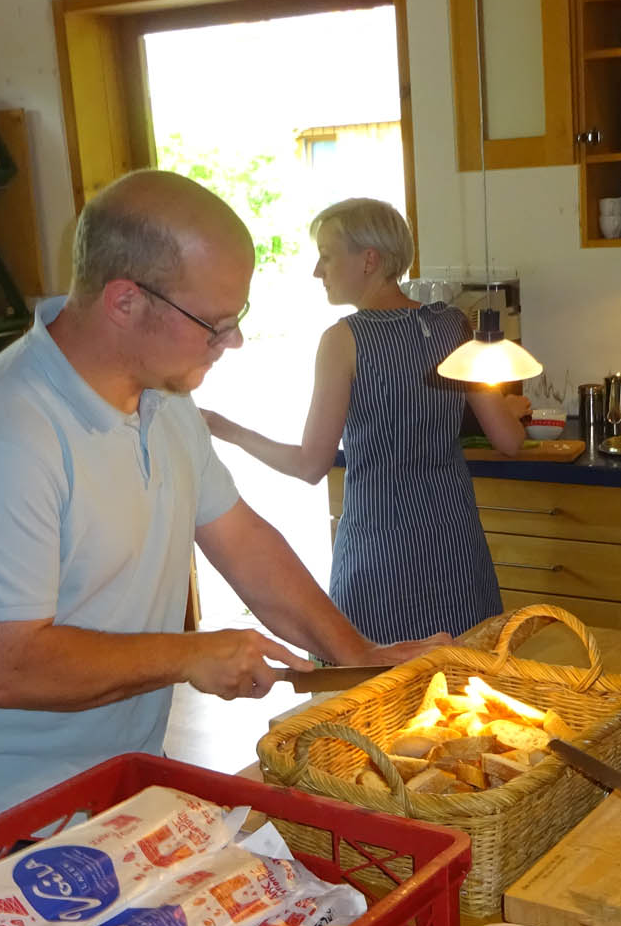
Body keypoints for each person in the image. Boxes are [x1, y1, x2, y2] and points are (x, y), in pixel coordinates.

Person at [0, 172, 439, 847]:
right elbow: (5, 667)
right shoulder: (0, 437)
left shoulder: (165, 398)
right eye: (216, 324)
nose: (234, 341)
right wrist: (188, 654)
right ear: (125, 301)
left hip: (117, 778)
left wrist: (360, 658)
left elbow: (243, 541)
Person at [199, 198, 528, 642]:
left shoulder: (344, 340)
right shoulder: (453, 325)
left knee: (376, 674)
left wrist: (226, 429)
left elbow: (310, 465)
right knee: (463, 671)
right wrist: (505, 408)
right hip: (455, 545)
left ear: (369, 260)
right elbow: (509, 440)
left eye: (327, 256)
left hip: (382, 551)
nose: (318, 270)